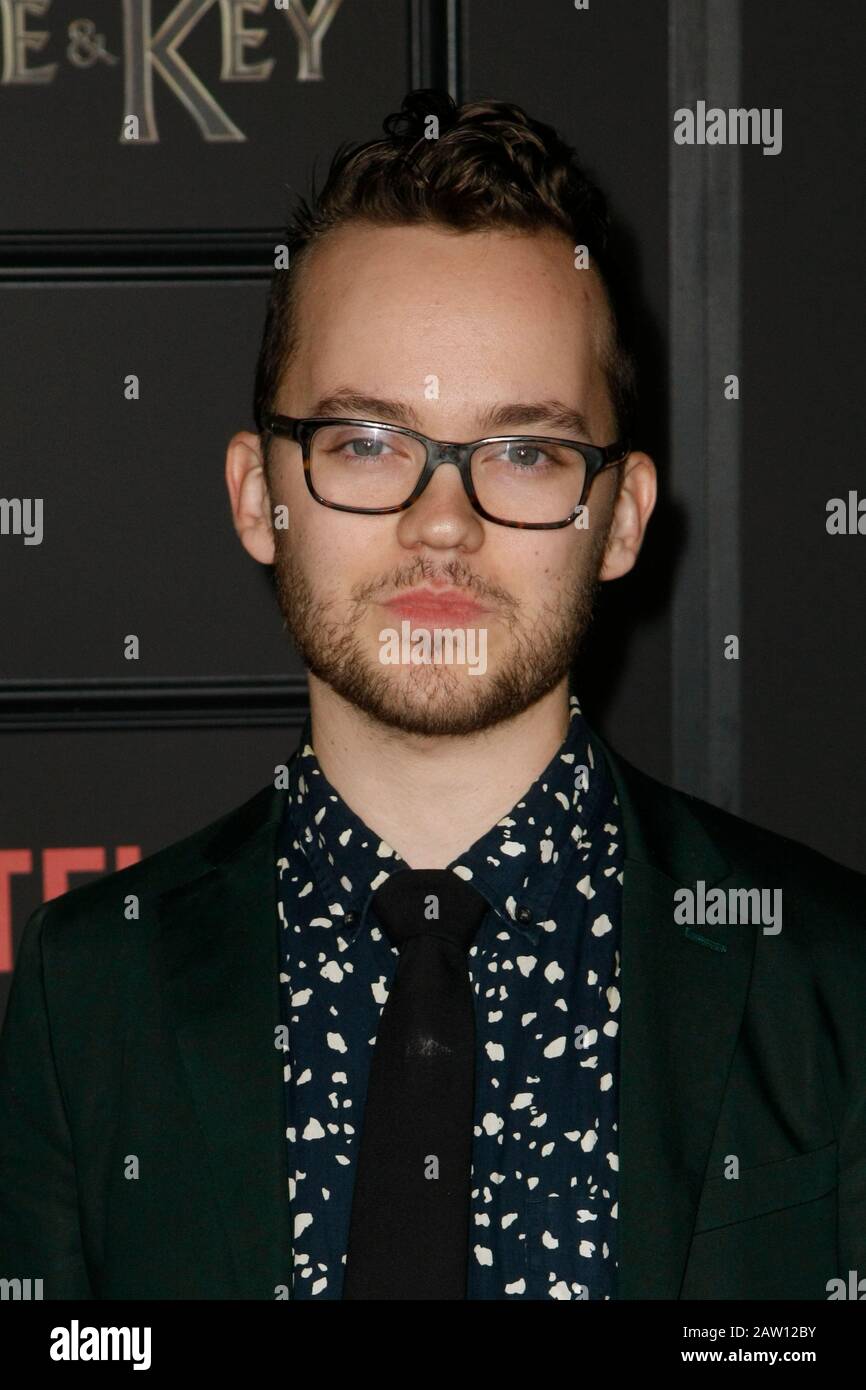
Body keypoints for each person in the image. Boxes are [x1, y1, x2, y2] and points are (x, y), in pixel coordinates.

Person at [1, 89, 864, 1302]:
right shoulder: (85, 992)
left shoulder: (833, 982)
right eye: (365, 441)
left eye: (523, 451)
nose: (440, 522)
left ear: (616, 517)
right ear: (261, 496)